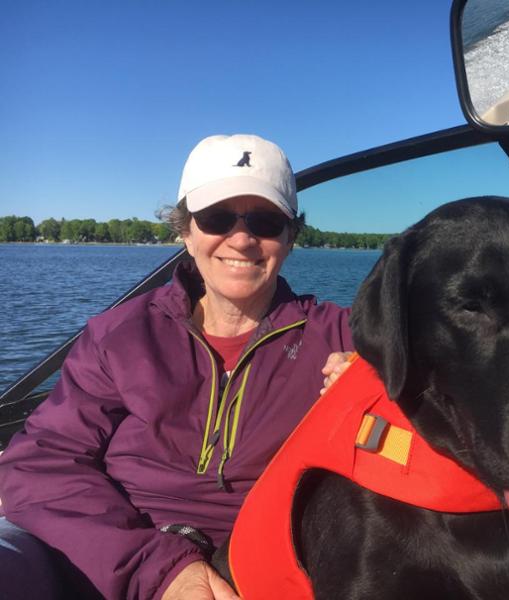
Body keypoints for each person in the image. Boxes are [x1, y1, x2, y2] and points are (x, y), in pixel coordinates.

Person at [0, 134, 354, 599]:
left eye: (265, 221)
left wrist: (378, 395)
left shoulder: (345, 337)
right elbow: (40, 465)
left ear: (290, 236)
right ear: (185, 231)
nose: (242, 239)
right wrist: (164, 571)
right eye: (217, 218)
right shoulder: (119, 335)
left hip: (263, 567)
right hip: (108, 557)